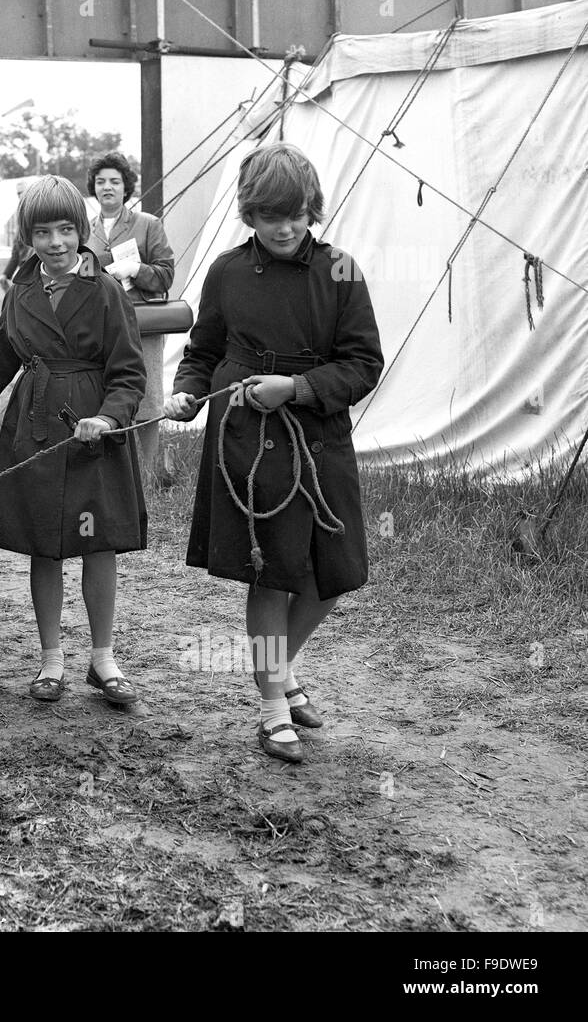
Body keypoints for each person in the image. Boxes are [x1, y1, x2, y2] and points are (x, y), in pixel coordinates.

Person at [163, 143, 383, 764]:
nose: (285, 228)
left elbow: (365, 363)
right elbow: (203, 352)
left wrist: (300, 387)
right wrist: (187, 394)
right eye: (269, 216)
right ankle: (271, 709)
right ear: (249, 215)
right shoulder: (227, 272)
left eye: (296, 214)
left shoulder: (342, 269)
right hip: (246, 440)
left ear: (312, 208)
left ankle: (281, 668)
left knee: (332, 573)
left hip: (318, 435)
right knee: (269, 572)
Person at [0, 176, 147, 704]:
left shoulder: (106, 291)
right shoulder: (20, 294)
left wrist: (107, 417)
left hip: (94, 435)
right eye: (41, 232)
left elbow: (128, 373)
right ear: (26, 238)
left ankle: (103, 660)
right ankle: (51, 660)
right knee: (45, 547)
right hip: (34, 431)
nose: (55, 243)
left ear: (80, 231)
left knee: (101, 546)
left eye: (64, 230)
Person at [85, 152, 177, 483]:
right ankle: (115, 471)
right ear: (93, 188)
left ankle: (152, 472)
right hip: (100, 327)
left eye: (114, 181)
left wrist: (136, 270)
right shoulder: (85, 230)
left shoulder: (148, 224)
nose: (107, 187)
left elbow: (167, 274)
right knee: (105, 390)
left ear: (127, 187)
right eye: (100, 182)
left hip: (142, 326)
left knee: (149, 394)